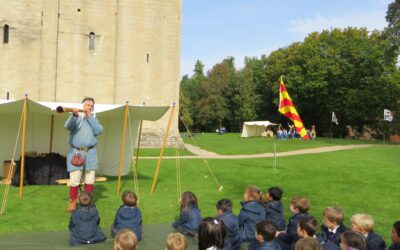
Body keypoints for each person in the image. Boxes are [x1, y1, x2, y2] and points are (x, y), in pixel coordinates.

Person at [65, 97, 103, 213]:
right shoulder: (76, 118)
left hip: (91, 152)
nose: (89, 107)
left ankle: (88, 201)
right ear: (83, 106)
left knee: (90, 179)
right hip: (76, 152)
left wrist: (90, 117)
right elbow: (67, 126)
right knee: (75, 179)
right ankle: (73, 201)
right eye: (87, 105)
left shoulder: (94, 119)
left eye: (91, 105)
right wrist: (74, 116)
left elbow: (99, 131)